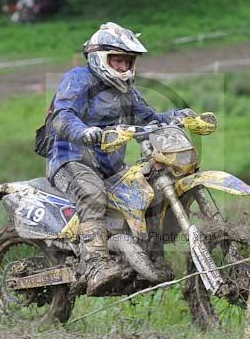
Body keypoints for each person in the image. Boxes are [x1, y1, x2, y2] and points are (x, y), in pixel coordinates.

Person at [45, 22, 194, 296]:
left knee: (147, 191)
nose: (124, 68)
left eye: (128, 62)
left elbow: (149, 118)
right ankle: (95, 264)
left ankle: (146, 256)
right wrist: (85, 131)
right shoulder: (79, 79)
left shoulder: (125, 91)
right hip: (71, 161)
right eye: (118, 61)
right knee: (92, 194)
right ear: (100, 58)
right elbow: (62, 116)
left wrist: (177, 116)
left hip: (110, 167)